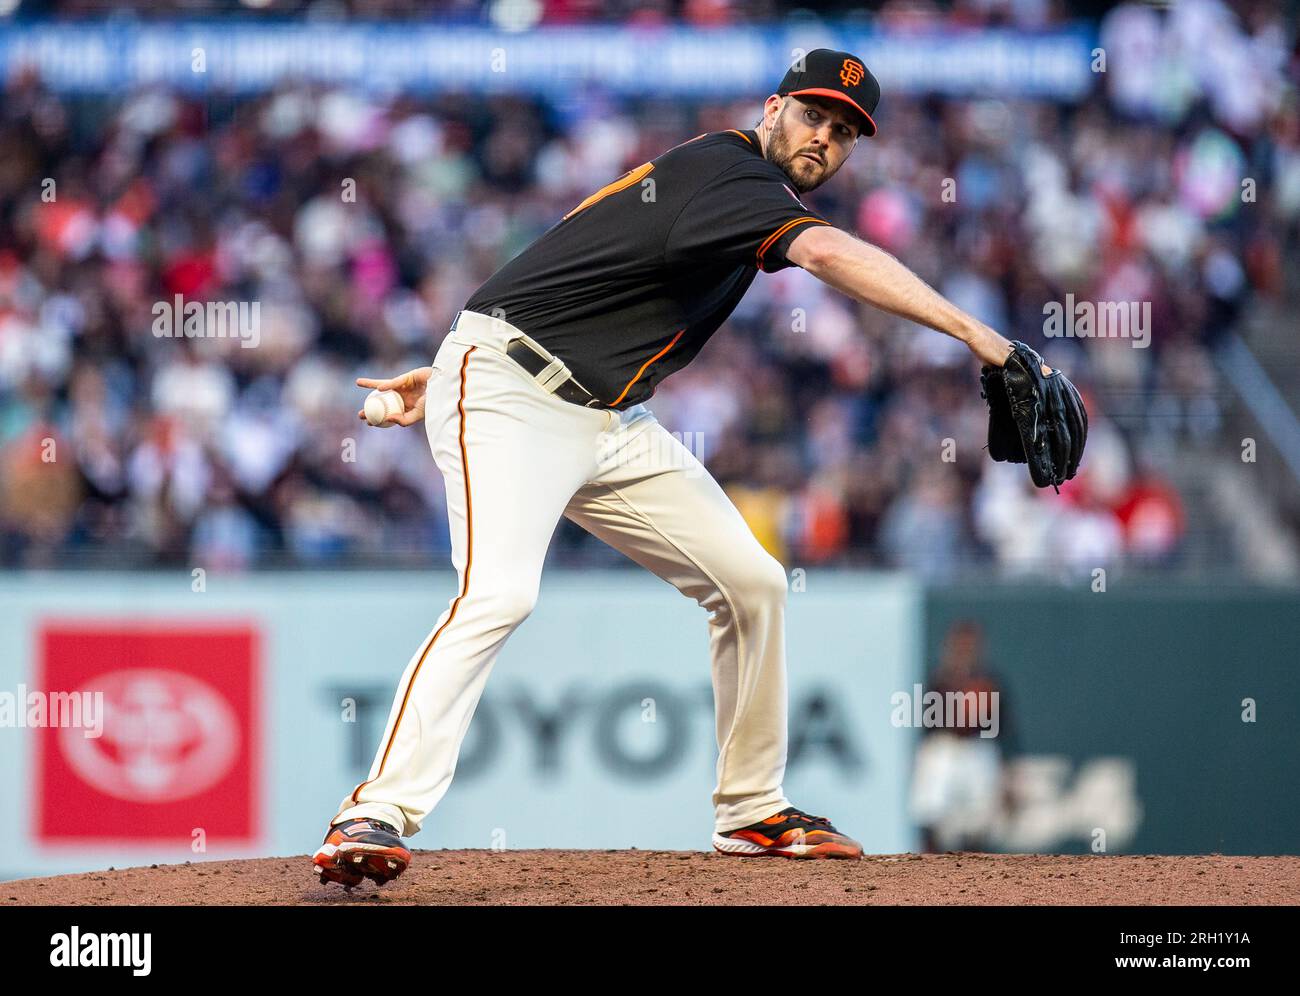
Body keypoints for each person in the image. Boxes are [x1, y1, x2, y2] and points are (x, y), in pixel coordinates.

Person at [313, 49, 1038, 886]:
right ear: (772, 110)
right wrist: (985, 339)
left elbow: (580, 251)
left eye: (844, 132)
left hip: (604, 414)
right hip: (516, 392)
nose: (824, 138)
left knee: (753, 584)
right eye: (812, 116)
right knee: (499, 594)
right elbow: (833, 257)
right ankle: (375, 810)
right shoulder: (729, 172)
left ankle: (752, 809)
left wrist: (448, 371)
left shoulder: (735, 192)